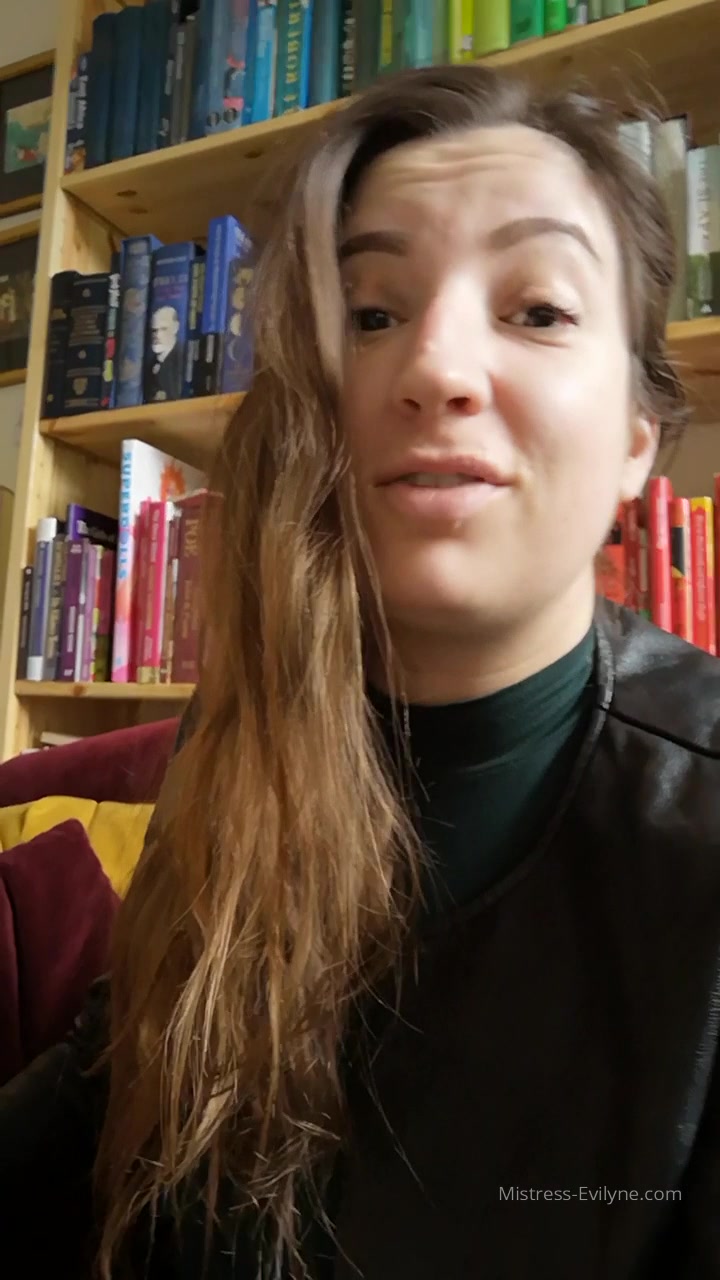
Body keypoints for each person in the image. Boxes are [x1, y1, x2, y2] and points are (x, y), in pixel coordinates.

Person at [1, 62, 719, 1280]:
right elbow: (106, 1096)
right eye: (372, 313)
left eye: (538, 310)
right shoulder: (238, 747)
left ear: (636, 441)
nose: (434, 366)